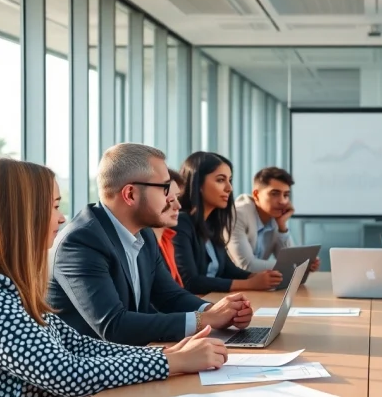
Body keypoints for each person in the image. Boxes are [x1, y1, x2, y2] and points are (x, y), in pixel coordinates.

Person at [0, 158, 228, 397]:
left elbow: (78, 346)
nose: (62, 218)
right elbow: (64, 373)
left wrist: (166, 354)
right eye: (53, 207)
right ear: (18, 216)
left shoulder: (0, 287)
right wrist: (170, 362)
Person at [48, 143, 254, 346]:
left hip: (131, 359)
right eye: (165, 188)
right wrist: (205, 320)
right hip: (91, 370)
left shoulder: (143, 233)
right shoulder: (81, 241)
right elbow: (113, 326)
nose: (171, 198)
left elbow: (169, 296)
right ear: (130, 194)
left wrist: (215, 311)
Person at [173, 151, 283, 296]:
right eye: (220, 180)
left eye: (229, 180)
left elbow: (228, 270)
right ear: (198, 183)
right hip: (195, 308)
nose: (229, 188)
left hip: (214, 301)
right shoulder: (181, 223)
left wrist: (257, 277)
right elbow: (190, 282)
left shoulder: (211, 224)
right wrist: (250, 284)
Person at [225, 166, 320, 273]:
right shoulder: (236, 214)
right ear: (256, 195)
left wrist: (282, 226)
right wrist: (298, 264)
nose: (282, 201)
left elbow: (287, 257)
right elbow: (246, 265)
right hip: (227, 286)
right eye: (275, 194)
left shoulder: (275, 217)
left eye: (286, 195)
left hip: (255, 286)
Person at [154, 168, 186, 286]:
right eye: (169, 199)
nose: (178, 206)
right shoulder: (142, 246)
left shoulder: (167, 239)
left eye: (177, 197)